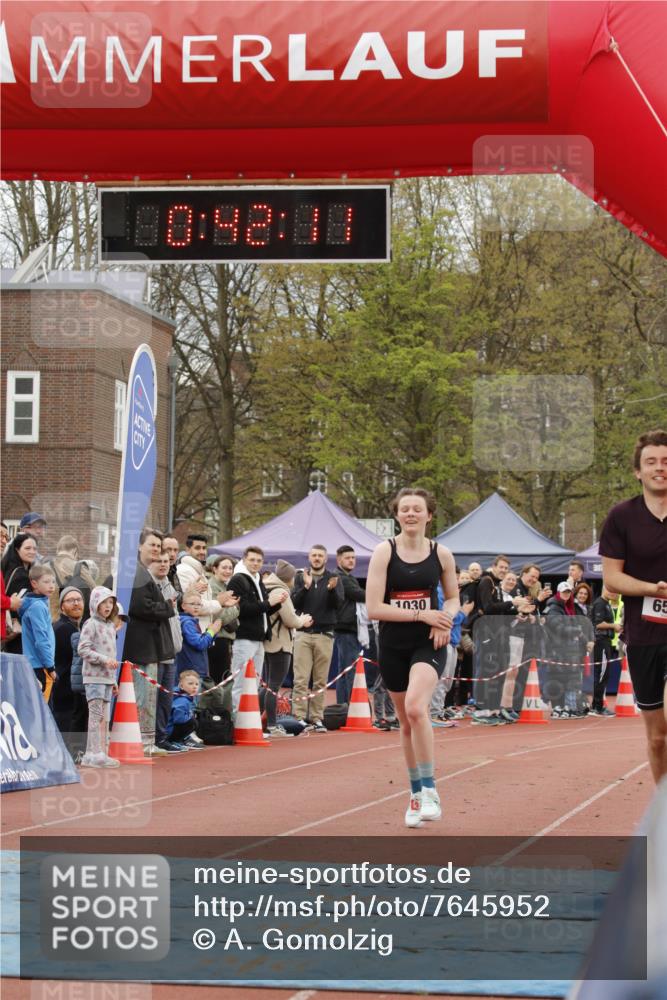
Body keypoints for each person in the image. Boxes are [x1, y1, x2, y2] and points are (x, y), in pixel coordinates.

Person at [366, 487, 459, 828]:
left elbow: (452, 599)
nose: (410, 514)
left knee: (417, 709)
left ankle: (432, 789)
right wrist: (424, 615)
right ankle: (416, 792)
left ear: (429, 515)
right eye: (404, 509)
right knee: (405, 723)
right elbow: (375, 608)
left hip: (428, 645)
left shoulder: (442, 554)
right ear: (397, 515)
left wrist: (445, 619)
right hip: (392, 644)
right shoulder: (384, 552)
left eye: (417, 509)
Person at [600, 429, 667, 783]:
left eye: (666, 461)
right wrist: (653, 589)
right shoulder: (621, 517)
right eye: (651, 462)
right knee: (658, 738)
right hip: (643, 635)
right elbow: (612, 578)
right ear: (638, 472)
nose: (660, 468)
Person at [122, 528, 176, 757]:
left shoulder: (141, 572)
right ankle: (141, 742)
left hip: (149, 646)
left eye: (158, 546)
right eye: (152, 545)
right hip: (140, 647)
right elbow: (139, 606)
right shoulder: (135, 572)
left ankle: (146, 740)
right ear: (139, 546)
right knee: (141, 697)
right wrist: (167, 607)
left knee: (149, 697)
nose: (156, 549)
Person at [227, 546, 287, 720]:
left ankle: (249, 720)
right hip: (244, 637)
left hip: (259, 638)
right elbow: (243, 609)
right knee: (240, 682)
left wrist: (276, 603)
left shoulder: (257, 578)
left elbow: (262, 610)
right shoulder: (238, 579)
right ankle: (237, 720)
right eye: (252, 560)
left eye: (259, 561)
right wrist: (269, 604)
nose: (255, 563)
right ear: (244, 560)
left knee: (253, 682)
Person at [291, 545, 344, 732]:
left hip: (325, 635)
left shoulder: (334, 578)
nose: (316, 558)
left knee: (320, 680)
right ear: (309, 557)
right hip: (303, 634)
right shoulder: (300, 577)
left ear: (326, 558)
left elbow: (338, 605)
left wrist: (331, 591)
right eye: (314, 555)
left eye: (320, 555)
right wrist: (305, 587)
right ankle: (298, 717)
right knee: (301, 679)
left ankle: (316, 718)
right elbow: (293, 602)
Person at [261, 560, 313, 737]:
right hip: (280, 643)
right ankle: (272, 726)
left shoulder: (266, 587)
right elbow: (290, 619)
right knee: (273, 686)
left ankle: (255, 721)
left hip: (268, 642)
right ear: (289, 578)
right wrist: (303, 621)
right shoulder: (281, 591)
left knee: (267, 685)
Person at [77, 586, 120, 768]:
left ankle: (93, 753)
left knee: (103, 716)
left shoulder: (110, 626)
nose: (108, 606)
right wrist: (103, 660)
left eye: (110, 602)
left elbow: (112, 654)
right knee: (95, 715)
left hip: (107, 678)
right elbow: (83, 649)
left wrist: (113, 680)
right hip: (94, 677)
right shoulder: (90, 624)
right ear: (95, 604)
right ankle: (95, 753)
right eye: (103, 602)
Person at [149, 552, 186, 754]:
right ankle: (151, 737)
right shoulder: (149, 585)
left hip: (172, 650)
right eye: (158, 561)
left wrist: (177, 639)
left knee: (166, 698)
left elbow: (175, 617)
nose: (163, 565)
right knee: (154, 696)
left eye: (166, 561)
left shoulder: (169, 585)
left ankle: (161, 736)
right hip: (156, 651)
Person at [544, 581, 591, 719]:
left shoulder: (567, 607)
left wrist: (583, 638)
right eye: (564, 592)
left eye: (568, 592)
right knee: (557, 679)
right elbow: (557, 628)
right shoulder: (554, 607)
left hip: (567, 650)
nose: (566, 594)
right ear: (558, 593)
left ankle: (565, 707)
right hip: (556, 650)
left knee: (567, 679)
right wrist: (576, 631)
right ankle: (557, 708)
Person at [52, 586, 87, 740]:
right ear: (62, 607)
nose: (75, 603)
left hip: (70, 694)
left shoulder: (75, 628)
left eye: (79, 600)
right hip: (65, 694)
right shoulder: (63, 629)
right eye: (70, 600)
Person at [18, 564, 57, 701]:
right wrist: (50, 666)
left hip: (35, 664)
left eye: (53, 581)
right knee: (43, 709)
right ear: (34, 583)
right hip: (41, 665)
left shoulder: (36, 604)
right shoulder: (38, 607)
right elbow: (41, 640)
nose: (51, 586)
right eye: (46, 582)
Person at [333, 545, 366, 703]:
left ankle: (343, 707)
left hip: (346, 629)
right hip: (345, 630)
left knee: (344, 670)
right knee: (349, 670)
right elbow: (360, 595)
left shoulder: (347, 576)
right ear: (339, 560)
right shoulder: (341, 577)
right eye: (348, 558)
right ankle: (351, 708)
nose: (352, 560)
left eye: (353, 557)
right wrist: (378, 592)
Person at [176, 588, 222, 682]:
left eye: (199, 604)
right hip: (191, 672)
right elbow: (199, 644)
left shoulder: (190, 620)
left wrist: (211, 632)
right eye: (192, 604)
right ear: (183, 606)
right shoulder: (187, 622)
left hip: (194, 670)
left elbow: (203, 643)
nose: (196, 607)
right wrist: (211, 631)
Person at [1, 532, 37, 651]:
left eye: (34, 548)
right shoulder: (21, 575)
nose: (32, 551)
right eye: (27, 548)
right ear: (17, 549)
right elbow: (22, 606)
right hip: (16, 634)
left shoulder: (8, 568)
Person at [207, 554, 240, 683]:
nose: (227, 571)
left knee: (223, 677)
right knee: (219, 679)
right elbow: (220, 617)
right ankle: (218, 703)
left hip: (225, 638)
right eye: (224, 567)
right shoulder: (213, 587)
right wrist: (236, 608)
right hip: (217, 639)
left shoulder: (225, 586)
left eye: (230, 568)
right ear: (214, 569)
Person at [590, 585, 622, 717]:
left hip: (606, 641)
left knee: (603, 673)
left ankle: (596, 705)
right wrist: (613, 626)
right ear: (603, 589)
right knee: (602, 674)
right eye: (610, 590)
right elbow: (597, 624)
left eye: (614, 591)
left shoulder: (605, 603)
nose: (613, 593)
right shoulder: (600, 604)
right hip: (601, 641)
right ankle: (597, 707)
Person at [166, 670, 205, 749]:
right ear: (181, 686)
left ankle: (181, 739)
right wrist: (190, 716)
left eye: (197, 684)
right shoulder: (182, 700)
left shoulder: (186, 697)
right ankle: (175, 740)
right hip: (168, 731)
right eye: (190, 683)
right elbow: (178, 719)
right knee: (193, 722)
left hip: (169, 729)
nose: (194, 686)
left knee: (192, 720)